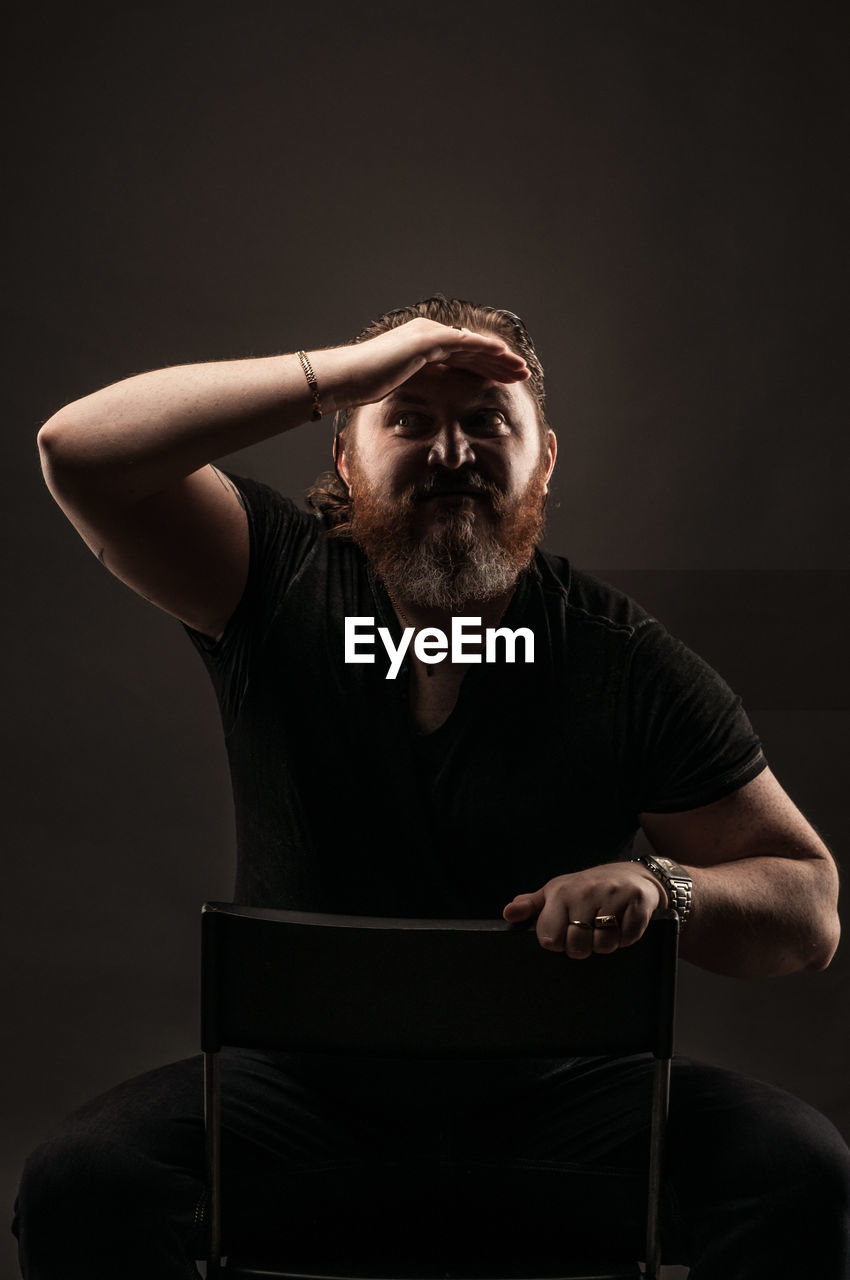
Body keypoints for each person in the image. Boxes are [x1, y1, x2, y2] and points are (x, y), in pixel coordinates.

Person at [15, 296, 848, 1278]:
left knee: (796, 1167)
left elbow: (809, 910)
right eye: (407, 417)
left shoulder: (624, 661)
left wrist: (663, 886)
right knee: (84, 1179)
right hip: (296, 1105)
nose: (451, 451)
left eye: (488, 421)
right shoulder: (269, 579)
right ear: (344, 459)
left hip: (560, 1109)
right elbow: (77, 450)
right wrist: (344, 369)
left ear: (544, 458)